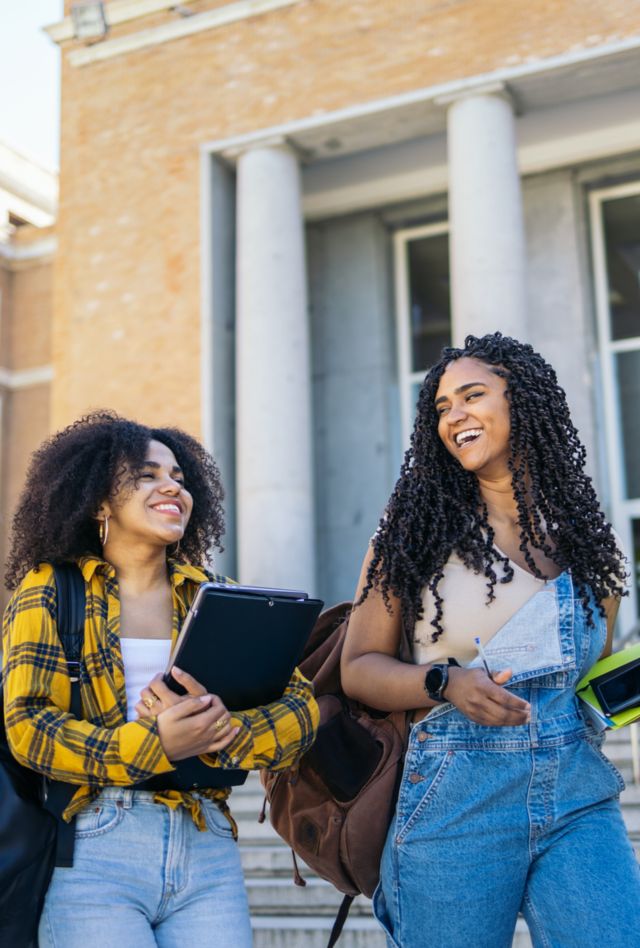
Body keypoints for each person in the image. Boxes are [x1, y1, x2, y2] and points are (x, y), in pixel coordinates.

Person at [341, 333, 640, 948]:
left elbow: (594, 679)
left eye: (472, 396)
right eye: (442, 408)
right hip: (456, 801)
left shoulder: (589, 542)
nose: (455, 417)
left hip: (576, 793)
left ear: (523, 402)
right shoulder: (411, 536)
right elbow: (358, 668)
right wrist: (446, 683)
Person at [2, 411, 319, 948]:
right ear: (99, 502)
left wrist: (227, 732)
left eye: (178, 476)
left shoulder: (217, 597)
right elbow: (29, 726)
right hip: (95, 847)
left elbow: (303, 710)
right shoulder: (52, 589)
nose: (172, 485)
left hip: (208, 846)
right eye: (147, 475)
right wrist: (155, 744)